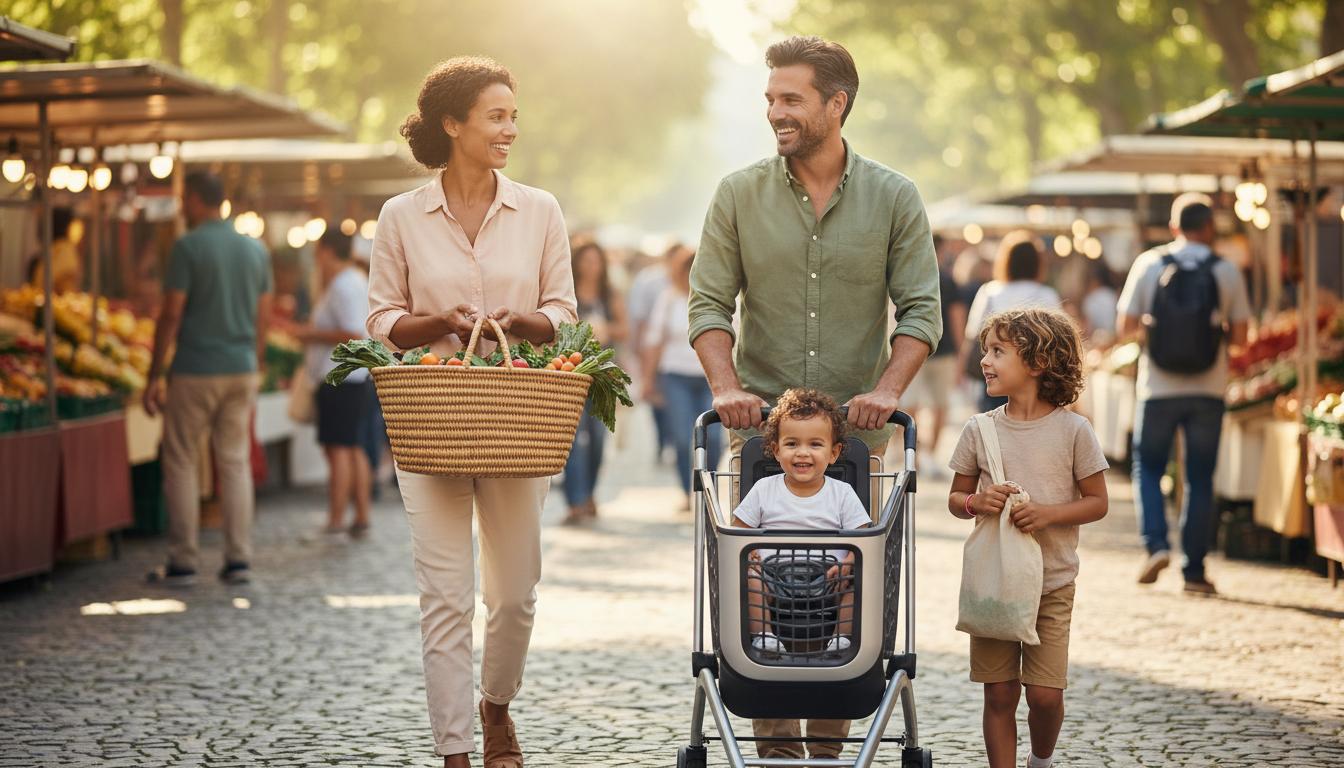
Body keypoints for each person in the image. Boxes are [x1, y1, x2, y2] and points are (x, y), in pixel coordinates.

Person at [689, 35, 942, 763]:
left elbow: (921, 310)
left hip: (859, 441)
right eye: (771, 99)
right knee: (758, 596)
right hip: (759, 436)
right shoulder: (739, 193)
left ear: (837, 103)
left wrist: (886, 391)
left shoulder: (894, 197)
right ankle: (774, 750)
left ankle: (832, 750)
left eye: (791, 98)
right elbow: (709, 304)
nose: (776, 111)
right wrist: (726, 387)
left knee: (844, 599)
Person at [365, 57, 577, 768]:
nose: (509, 129)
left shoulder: (540, 210)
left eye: (513, 116)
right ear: (452, 124)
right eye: (496, 116)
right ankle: (457, 750)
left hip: (516, 421)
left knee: (514, 595)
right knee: (444, 597)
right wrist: (434, 324)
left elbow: (565, 312)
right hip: (431, 421)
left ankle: (496, 703)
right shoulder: (401, 216)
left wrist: (526, 320)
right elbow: (380, 320)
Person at [947, 308, 1109, 768]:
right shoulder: (979, 429)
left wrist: (1049, 514)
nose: (985, 360)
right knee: (999, 693)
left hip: (1051, 584)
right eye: (985, 351)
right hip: (995, 584)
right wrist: (976, 502)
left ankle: (1040, 760)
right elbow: (956, 498)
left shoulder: (1074, 430)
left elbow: (1098, 502)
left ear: (1038, 363)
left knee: (1044, 695)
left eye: (998, 351)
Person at [143, 171, 272, 587]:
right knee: (234, 461)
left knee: (181, 460)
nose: (183, 206)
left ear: (196, 199)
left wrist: (154, 374)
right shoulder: (255, 249)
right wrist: (256, 359)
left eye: (185, 199)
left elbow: (171, 314)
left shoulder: (188, 247)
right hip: (241, 366)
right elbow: (264, 314)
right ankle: (239, 559)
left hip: (195, 367)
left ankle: (183, 560)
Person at [1117, 194, 1250, 595]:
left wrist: (1155, 329)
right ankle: (1194, 571)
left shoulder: (1150, 264)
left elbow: (1125, 327)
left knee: (1148, 467)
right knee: (1199, 478)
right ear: (1210, 228)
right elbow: (1241, 338)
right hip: (1208, 389)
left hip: (1156, 388)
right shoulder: (1226, 270)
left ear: (1174, 227)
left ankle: (1156, 545)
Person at [731, 388, 868, 657]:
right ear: (776, 450)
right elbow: (738, 531)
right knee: (749, 578)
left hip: (830, 577)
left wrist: (848, 563)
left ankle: (842, 638)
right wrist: (751, 551)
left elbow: (863, 539)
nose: (802, 453)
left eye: (815, 444)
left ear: (834, 453)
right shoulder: (764, 488)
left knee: (857, 580)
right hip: (772, 574)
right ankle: (764, 636)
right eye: (792, 444)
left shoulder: (842, 493)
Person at [295, 228, 374, 537]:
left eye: (318, 250)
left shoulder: (343, 285)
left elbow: (352, 332)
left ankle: (337, 517)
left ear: (328, 250)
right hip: (351, 374)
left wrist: (309, 334)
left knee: (339, 448)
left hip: (339, 376)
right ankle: (360, 514)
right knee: (352, 446)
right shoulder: (354, 280)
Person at [641, 245, 721, 507]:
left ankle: (708, 492)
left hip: (711, 378)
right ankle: (688, 493)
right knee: (680, 436)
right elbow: (654, 341)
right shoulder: (669, 299)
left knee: (714, 438)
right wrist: (648, 380)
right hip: (675, 377)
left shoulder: (719, 298)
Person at [561, 235, 626, 524]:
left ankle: (589, 494)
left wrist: (606, 329)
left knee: (598, 438)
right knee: (573, 438)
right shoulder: (568, 293)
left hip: (603, 374)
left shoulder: (609, 295)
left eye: (596, 261)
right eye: (586, 261)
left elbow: (625, 329)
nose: (591, 266)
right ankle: (575, 502)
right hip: (571, 372)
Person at [962, 232, 1062, 412]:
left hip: (996, 375)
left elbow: (973, 334)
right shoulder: (1047, 295)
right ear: (1037, 263)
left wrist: (961, 367)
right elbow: (1057, 340)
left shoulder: (989, 292)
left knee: (992, 424)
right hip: (1035, 378)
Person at [903, 234, 967, 473]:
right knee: (940, 404)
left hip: (913, 348)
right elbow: (957, 318)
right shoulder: (947, 280)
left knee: (911, 404)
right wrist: (961, 352)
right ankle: (929, 453)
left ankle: (916, 453)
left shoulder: (910, 277)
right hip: (943, 350)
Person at [627, 244, 679, 462]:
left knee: (671, 398)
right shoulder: (648, 280)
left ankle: (673, 438)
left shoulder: (687, 279)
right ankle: (662, 439)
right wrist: (639, 350)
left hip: (673, 353)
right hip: (651, 348)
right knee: (656, 398)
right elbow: (639, 317)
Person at [1080, 261, 1119, 345]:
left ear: (1095, 281)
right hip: (1113, 340)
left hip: (1096, 340)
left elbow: (1088, 327)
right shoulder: (1112, 295)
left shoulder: (1090, 299)